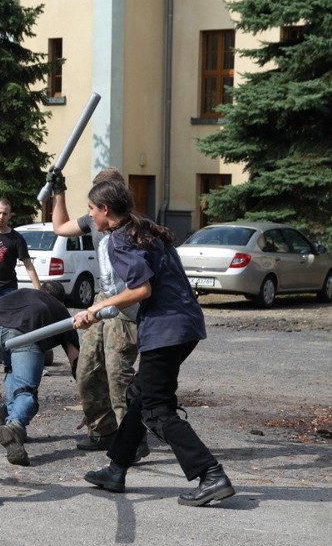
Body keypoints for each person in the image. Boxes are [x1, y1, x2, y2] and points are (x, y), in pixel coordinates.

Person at [74, 176, 235, 506]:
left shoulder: (119, 240)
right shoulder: (142, 227)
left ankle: (211, 474)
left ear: (106, 209)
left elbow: (142, 288)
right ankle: (117, 469)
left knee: (157, 409)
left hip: (166, 330)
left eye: (92, 209)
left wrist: (98, 306)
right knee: (139, 396)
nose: (89, 216)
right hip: (185, 324)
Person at [51, 168, 146, 458]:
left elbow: (143, 282)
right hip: (102, 298)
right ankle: (105, 431)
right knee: (87, 368)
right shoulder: (93, 220)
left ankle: (133, 439)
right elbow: (60, 227)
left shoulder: (134, 227)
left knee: (118, 373)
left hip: (127, 305)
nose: (92, 209)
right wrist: (59, 193)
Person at [0, 281, 79, 466]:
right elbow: (76, 361)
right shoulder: (58, 308)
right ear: (61, 300)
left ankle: (10, 424)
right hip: (24, 333)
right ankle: (15, 426)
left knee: (12, 369)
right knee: (26, 392)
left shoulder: (22, 295)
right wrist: (90, 406)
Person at [0, 197, 41, 417]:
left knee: (13, 331)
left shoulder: (15, 239)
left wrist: (39, 293)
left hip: (6, 293)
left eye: (5, 213)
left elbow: (29, 266)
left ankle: (14, 366)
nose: (1, 217)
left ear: (10, 216)